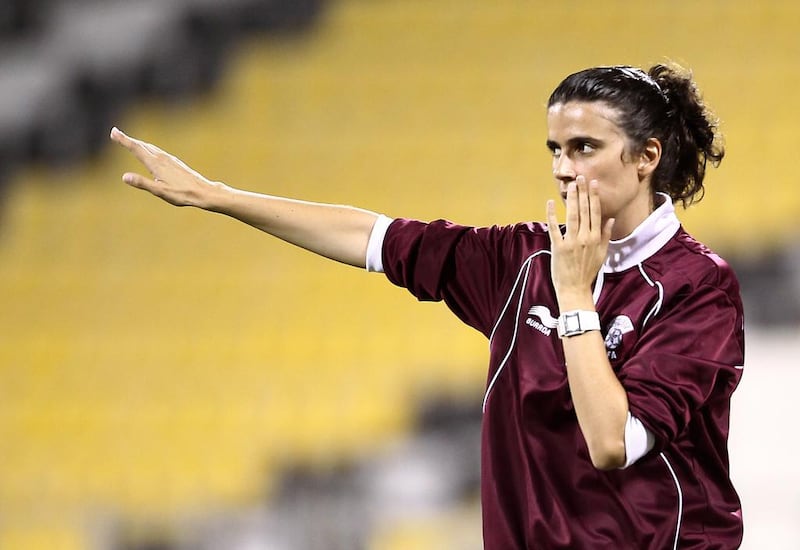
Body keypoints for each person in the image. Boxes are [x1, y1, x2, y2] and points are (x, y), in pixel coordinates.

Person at [110, 62, 744, 549]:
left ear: (646, 158)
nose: (562, 168)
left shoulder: (697, 288)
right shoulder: (520, 260)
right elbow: (373, 236)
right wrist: (219, 196)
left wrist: (575, 297)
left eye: (584, 148)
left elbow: (612, 441)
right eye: (554, 149)